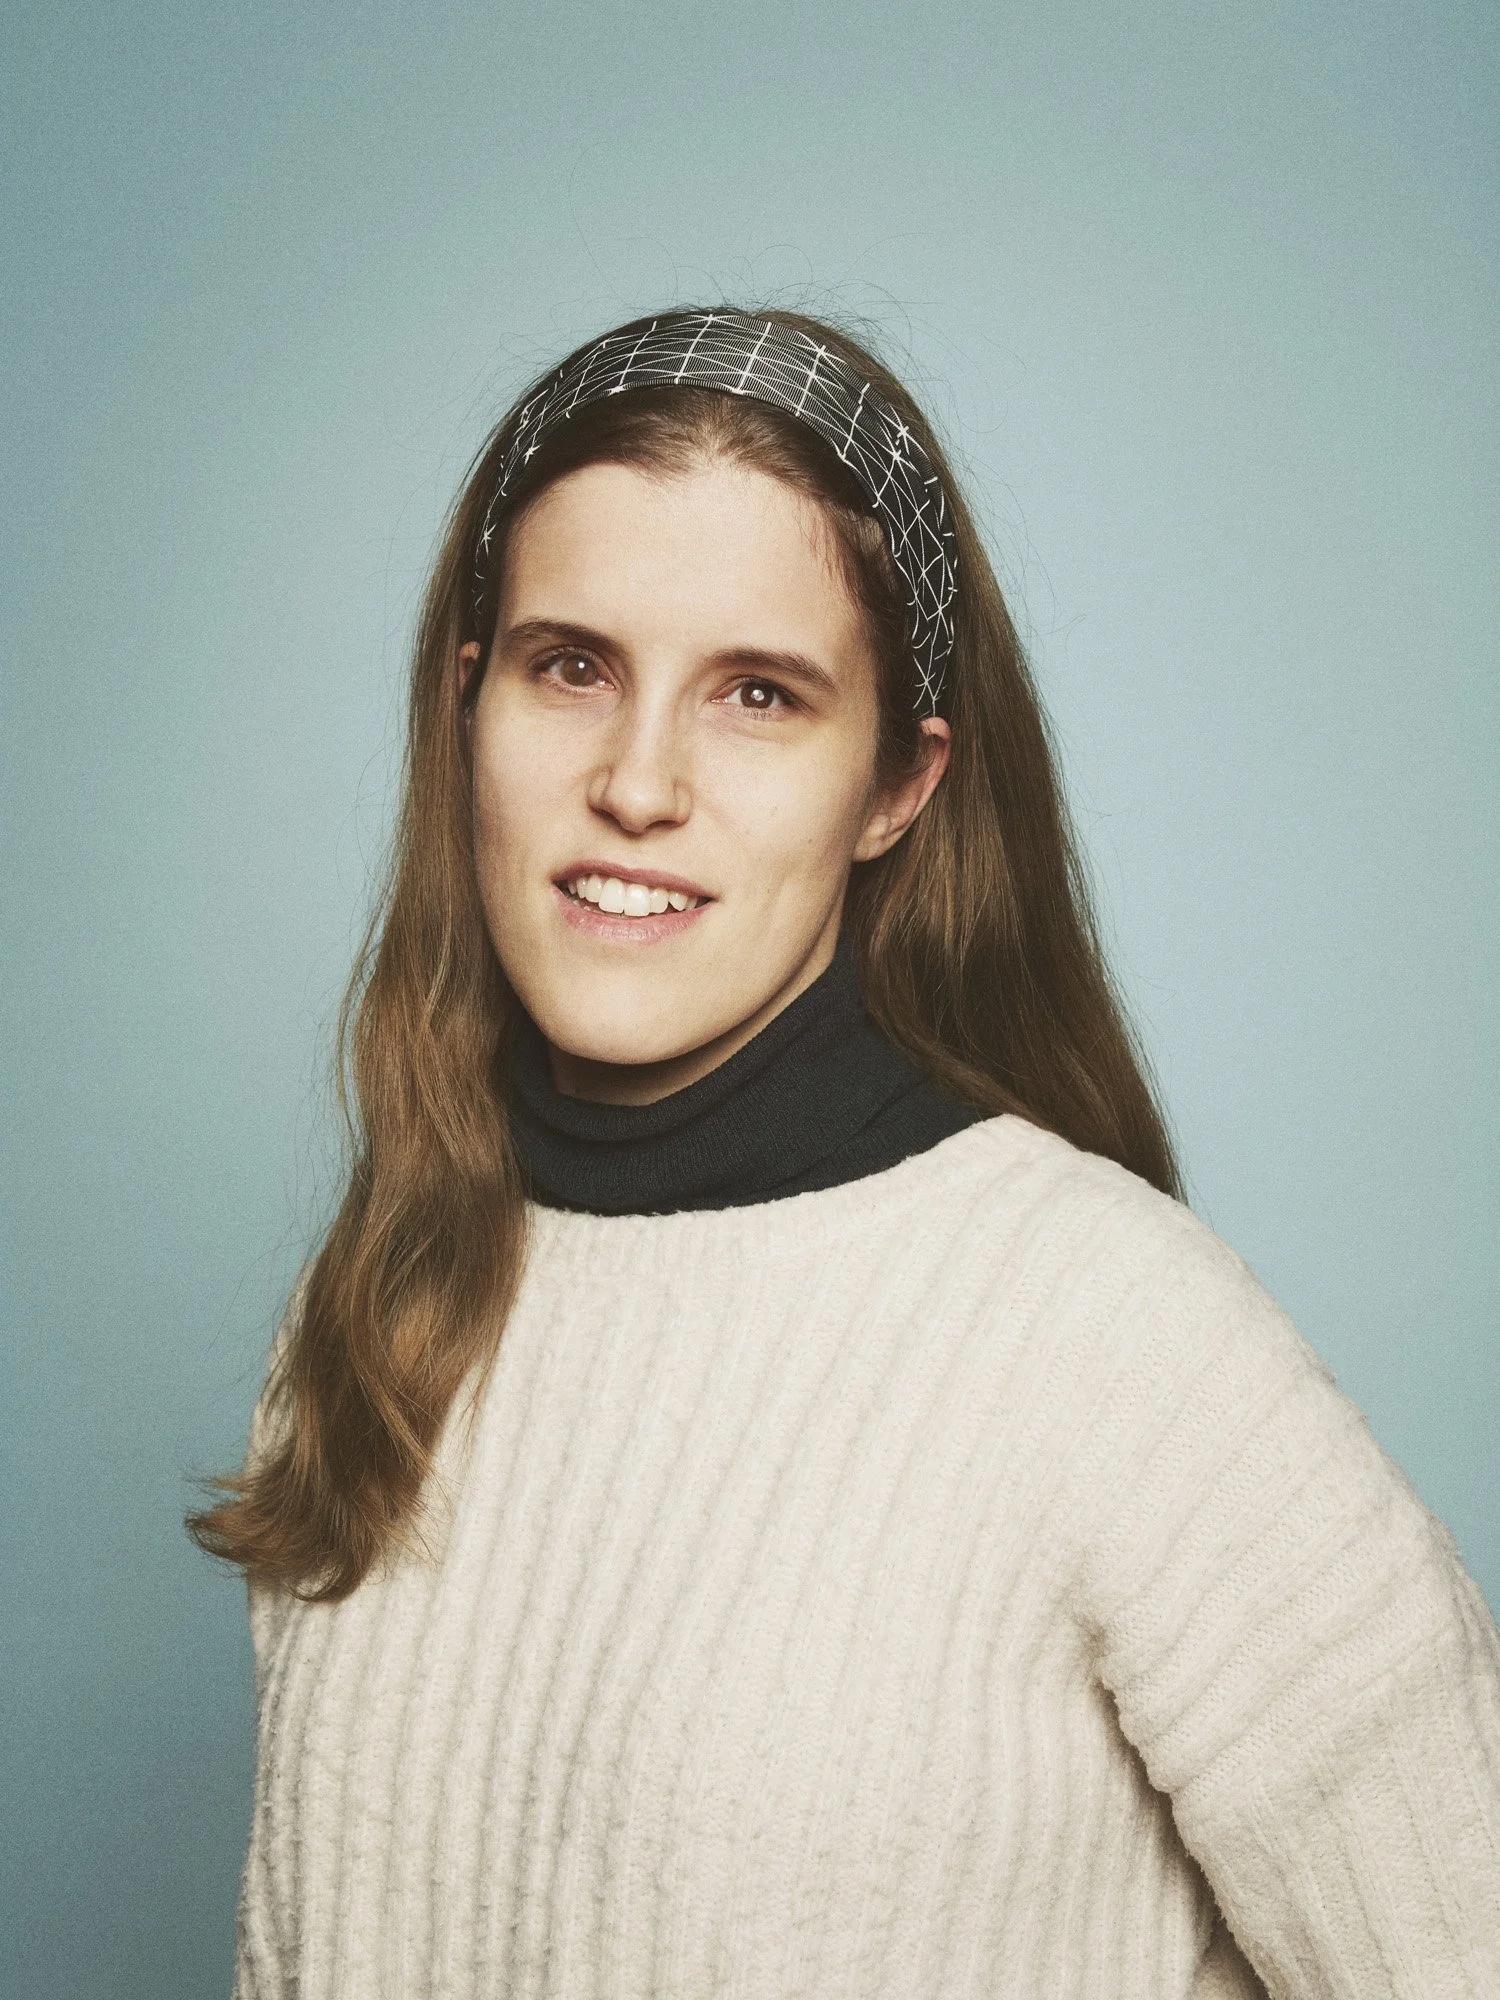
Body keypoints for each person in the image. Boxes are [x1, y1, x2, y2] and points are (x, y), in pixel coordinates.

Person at [192, 308, 1500, 1999]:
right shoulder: (371, 1301)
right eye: (570, 665)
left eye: (758, 694)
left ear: (897, 786)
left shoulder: (1116, 1337)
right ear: (468, 709)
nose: (637, 782)